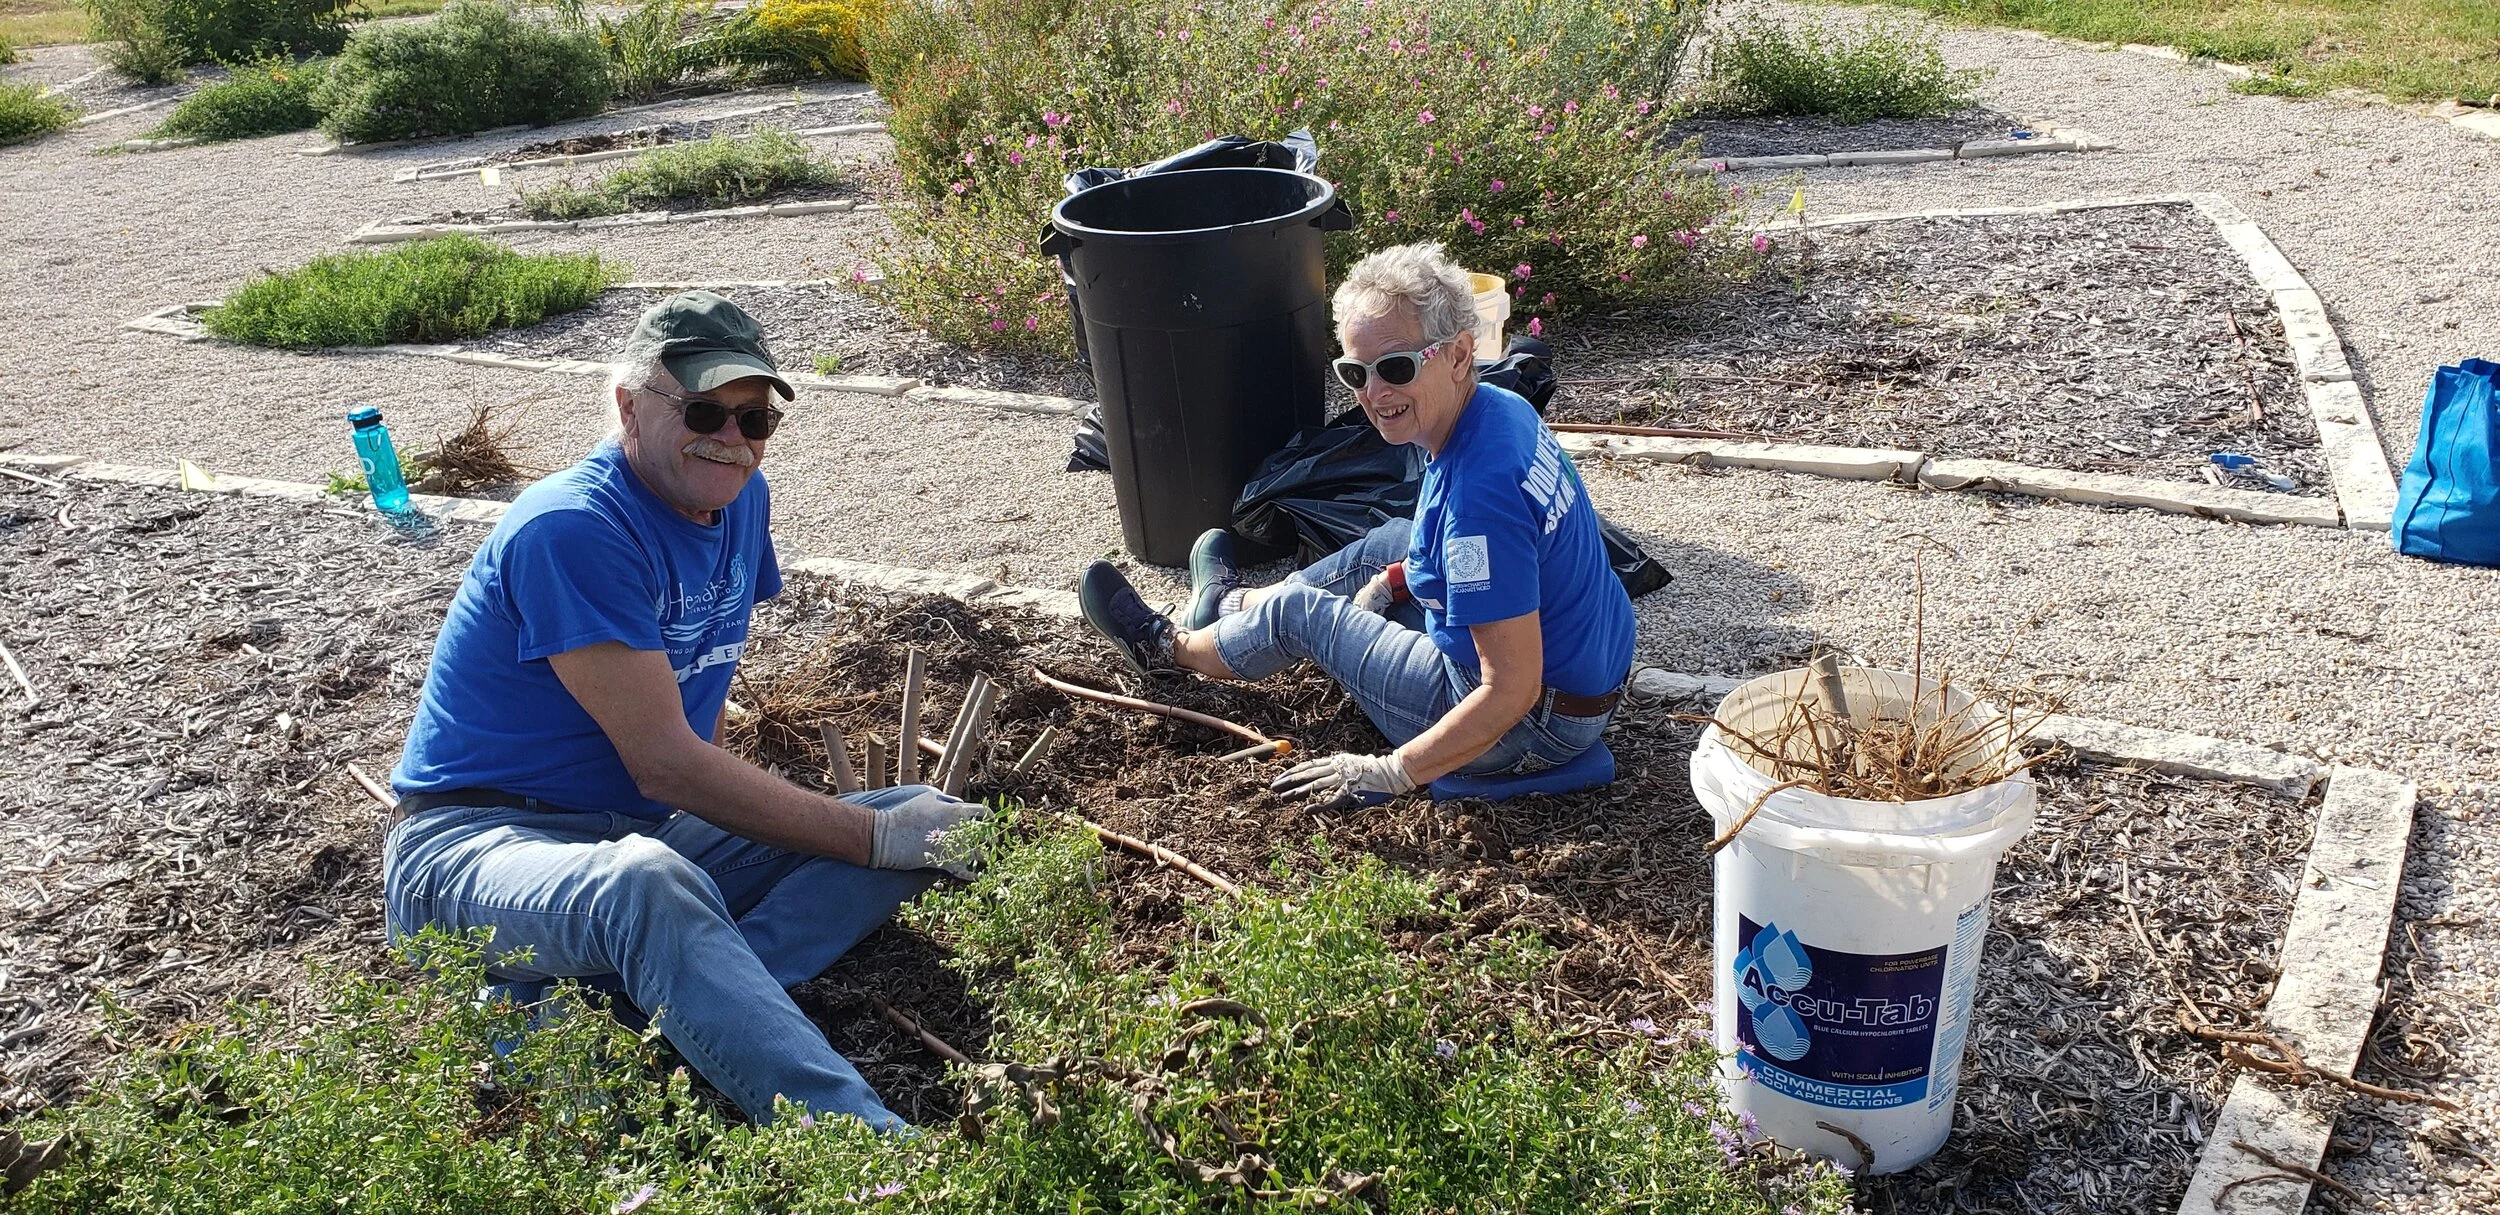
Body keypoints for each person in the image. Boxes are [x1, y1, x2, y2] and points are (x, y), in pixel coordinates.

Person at [383, 291, 985, 1129]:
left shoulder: (739, 504)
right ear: (629, 405)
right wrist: (864, 838)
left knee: (926, 827)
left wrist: (879, 832)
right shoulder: (572, 528)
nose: (732, 439)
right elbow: (664, 761)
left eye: (755, 418)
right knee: (658, 884)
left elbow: (700, 706)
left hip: (637, 830)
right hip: (476, 845)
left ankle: (651, 1012)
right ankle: (864, 1146)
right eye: (704, 409)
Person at [1076, 243, 1635, 808]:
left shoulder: (1479, 505)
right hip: (1579, 683)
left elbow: (1509, 689)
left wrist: (1391, 772)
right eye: (1355, 372)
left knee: (1303, 615)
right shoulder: (1499, 410)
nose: (1373, 393)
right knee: (1397, 542)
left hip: (1529, 728)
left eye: (1396, 367)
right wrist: (1393, 583)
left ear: (1460, 354)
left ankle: (1173, 651)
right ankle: (1233, 606)